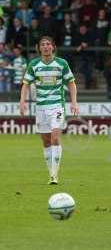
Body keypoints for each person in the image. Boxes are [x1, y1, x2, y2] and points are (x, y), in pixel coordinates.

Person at [19, 36, 79, 185]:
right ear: (39, 48)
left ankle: (54, 175)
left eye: (48, 44)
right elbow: (26, 84)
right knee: (46, 141)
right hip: (41, 107)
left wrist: (74, 102)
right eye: (43, 45)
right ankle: (50, 172)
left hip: (57, 105)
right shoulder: (34, 64)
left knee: (55, 137)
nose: (46, 47)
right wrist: (22, 101)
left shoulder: (61, 63)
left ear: (53, 47)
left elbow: (71, 83)